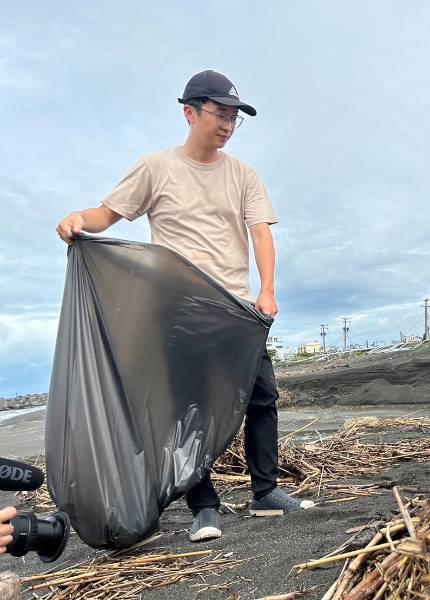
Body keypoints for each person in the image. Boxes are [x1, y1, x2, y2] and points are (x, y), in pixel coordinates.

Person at [56, 70, 314, 543]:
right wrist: (78, 220)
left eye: (235, 117)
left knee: (262, 396)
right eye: (220, 114)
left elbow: (260, 231)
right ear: (190, 112)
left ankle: (265, 491)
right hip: (176, 308)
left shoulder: (243, 175)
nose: (228, 125)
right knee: (186, 408)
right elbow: (106, 214)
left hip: (235, 308)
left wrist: (267, 289)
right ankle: (205, 506)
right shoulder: (156, 167)